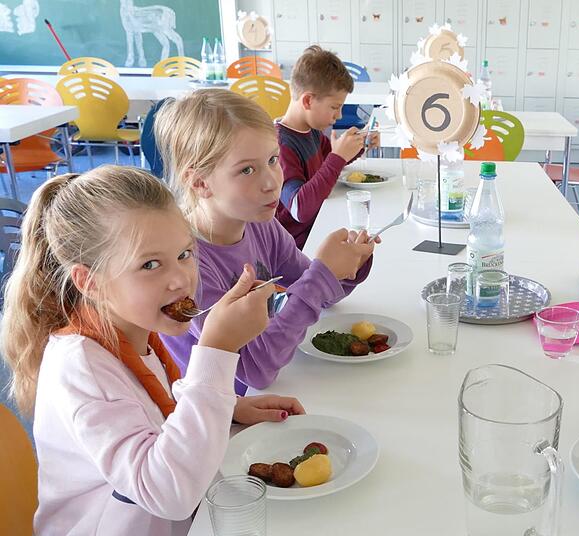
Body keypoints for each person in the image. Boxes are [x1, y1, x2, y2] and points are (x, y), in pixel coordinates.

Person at [1, 166, 303, 535]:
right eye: (149, 264)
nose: (180, 278)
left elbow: (150, 414)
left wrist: (230, 410)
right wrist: (218, 350)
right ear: (90, 283)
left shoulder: (134, 329)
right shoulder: (79, 366)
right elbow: (168, 494)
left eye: (185, 253)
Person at [154, 89, 376, 392]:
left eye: (273, 159)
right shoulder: (186, 265)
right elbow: (254, 371)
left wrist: (348, 264)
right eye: (247, 170)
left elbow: (318, 294)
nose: (272, 182)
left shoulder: (261, 226)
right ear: (200, 182)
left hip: (271, 395)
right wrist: (323, 274)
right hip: (222, 416)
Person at [277, 45, 380, 249]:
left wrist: (360, 144)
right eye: (335, 107)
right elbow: (299, 208)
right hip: (297, 246)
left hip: (319, 225)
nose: (339, 116)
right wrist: (338, 157)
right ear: (307, 100)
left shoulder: (312, 130)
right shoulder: (280, 145)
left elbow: (327, 165)